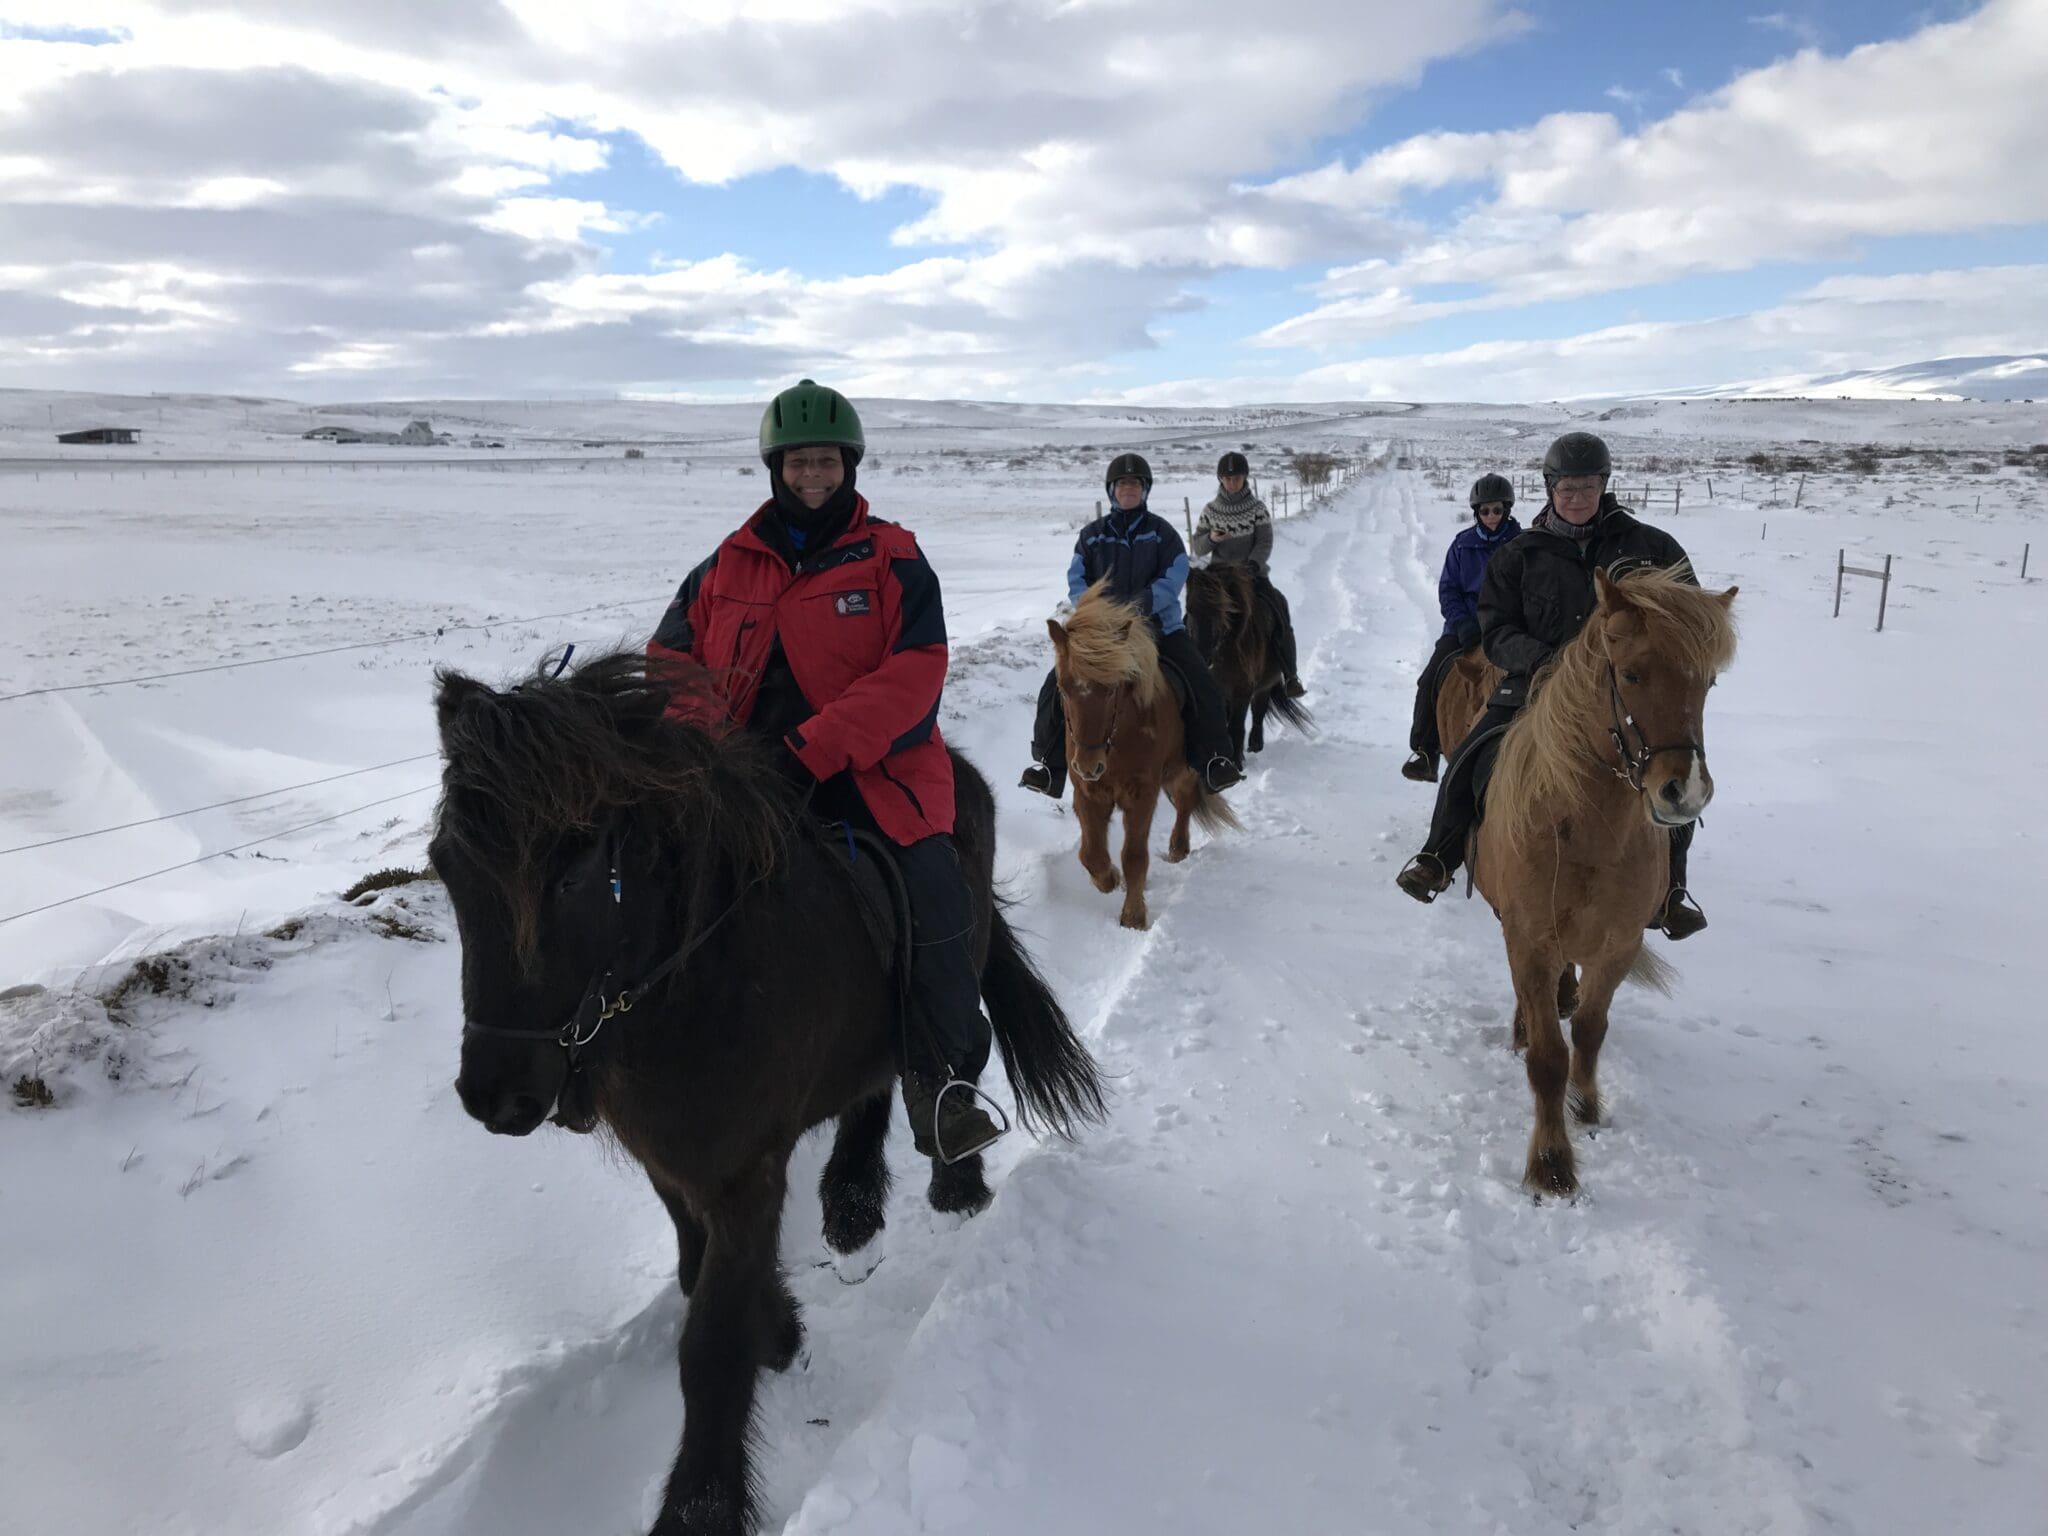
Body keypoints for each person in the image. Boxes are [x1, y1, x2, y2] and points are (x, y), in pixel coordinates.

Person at [649, 379, 1004, 1164]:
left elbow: (917, 668)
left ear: (850, 465)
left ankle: (941, 1082)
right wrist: (719, 749)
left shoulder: (893, 557)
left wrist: (813, 747)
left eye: (827, 463)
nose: (813, 477)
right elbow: (672, 662)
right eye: (799, 463)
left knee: (933, 895)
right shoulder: (725, 564)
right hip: (742, 780)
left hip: (871, 775)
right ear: (775, 468)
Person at [1393, 431, 1710, 940]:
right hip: (1536, 687)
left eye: (1587, 486)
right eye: (1566, 488)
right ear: (1549, 489)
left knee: (1675, 768)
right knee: (1475, 758)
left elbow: (1691, 618)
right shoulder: (1520, 555)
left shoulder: (1652, 547)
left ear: (1604, 485)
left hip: (1632, 692)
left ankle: (1671, 889)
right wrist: (1548, 664)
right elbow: (1496, 630)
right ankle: (1439, 853)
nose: (1577, 497)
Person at [1019, 453, 1243, 799]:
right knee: (1056, 685)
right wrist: (1098, 609)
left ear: (1145, 490)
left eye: (1135, 484)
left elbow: (1175, 575)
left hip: (1158, 629)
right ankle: (1049, 766)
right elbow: (1077, 579)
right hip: (1103, 636)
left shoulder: (1162, 534)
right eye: (1123, 484)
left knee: (1201, 681)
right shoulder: (1092, 536)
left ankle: (1214, 759)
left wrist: (1140, 605)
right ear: (1112, 490)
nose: (1129, 489)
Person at [1402, 473, 1523, 782]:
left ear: (1506, 510)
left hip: (1507, 627)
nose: (1492, 517)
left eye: (1497, 510)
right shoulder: (1462, 545)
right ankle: (1427, 753)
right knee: (1430, 679)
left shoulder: (1522, 545)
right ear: (1476, 513)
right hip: (1464, 628)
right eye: (1485, 511)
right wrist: (1462, 622)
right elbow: (1448, 590)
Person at [1192, 451, 1307, 698]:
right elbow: (1198, 547)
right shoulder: (1210, 510)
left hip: (1253, 576)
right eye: (1227, 478)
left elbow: (1265, 541)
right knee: (1193, 616)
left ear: (1245, 478)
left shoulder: (1257, 509)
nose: (1232, 482)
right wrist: (1211, 538)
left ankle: (1290, 675)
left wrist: (1254, 565)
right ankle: (1192, 669)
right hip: (1220, 579)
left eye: (1237, 477)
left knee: (1279, 610)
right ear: (1220, 479)